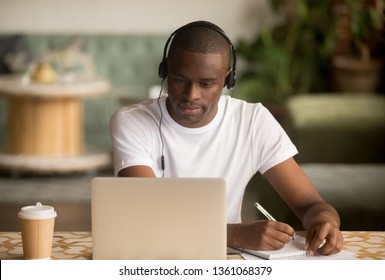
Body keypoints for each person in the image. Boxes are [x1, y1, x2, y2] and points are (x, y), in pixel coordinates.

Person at [110, 20, 343, 256]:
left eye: (206, 83)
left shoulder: (253, 122)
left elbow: (310, 205)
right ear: (165, 71)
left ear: (228, 79)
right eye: (180, 80)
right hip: (152, 256)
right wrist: (234, 234)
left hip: (227, 259)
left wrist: (325, 220)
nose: (191, 95)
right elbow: (146, 215)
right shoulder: (132, 121)